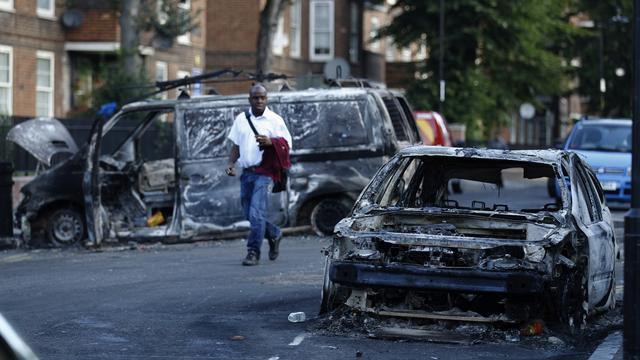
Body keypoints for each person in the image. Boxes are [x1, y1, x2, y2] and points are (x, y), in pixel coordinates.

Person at [226, 84, 292, 266]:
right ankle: (274, 233)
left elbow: (287, 144)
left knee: (256, 213)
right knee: (249, 214)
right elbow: (236, 146)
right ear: (250, 99)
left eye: (263, 97)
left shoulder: (274, 120)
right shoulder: (241, 119)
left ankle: (253, 252)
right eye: (256, 98)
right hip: (246, 174)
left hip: (265, 173)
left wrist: (272, 142)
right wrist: (231, 164)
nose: (259, 101)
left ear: (267, 98)